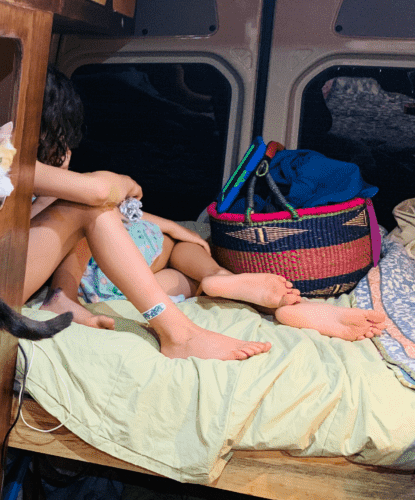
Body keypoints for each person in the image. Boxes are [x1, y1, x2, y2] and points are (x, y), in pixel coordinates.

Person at [24, 67, 386, 359]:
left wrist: (164, 222)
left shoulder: (22, 176)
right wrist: (121, 180)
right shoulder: (18, 173)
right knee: (179, 255)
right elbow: (99, 197)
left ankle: (285, 305)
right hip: (79, 269)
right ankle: (193, 314)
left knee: (187, 278)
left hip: (106, 263)